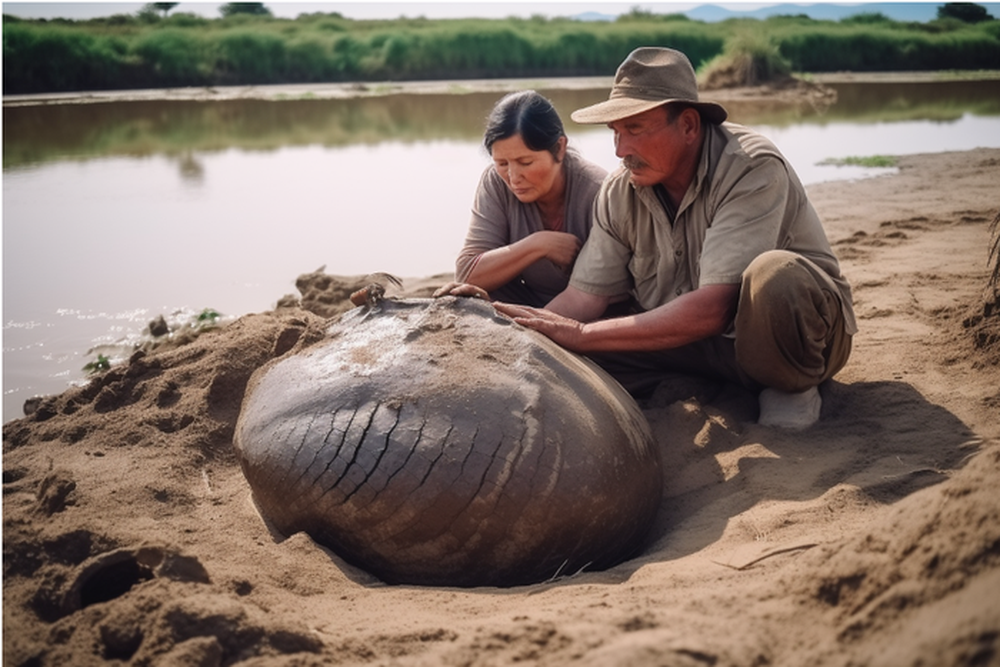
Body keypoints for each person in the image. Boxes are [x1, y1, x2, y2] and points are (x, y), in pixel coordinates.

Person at [491, 47, 858, 429]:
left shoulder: (751, 167)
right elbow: (585, 297)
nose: (621, 151)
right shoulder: (621, 190)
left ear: (688, 125)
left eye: (635, 129)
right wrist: (526, 338)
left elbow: (715, 307)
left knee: (775, 274)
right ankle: (709, 380)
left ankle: (791, 386)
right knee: (576, 346)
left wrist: (582, 334)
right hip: (690, 346)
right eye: (615, 132)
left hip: (784, 341)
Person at [450, 90, 608, 307]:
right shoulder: (496, 181)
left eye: (525, 162)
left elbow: (597, 293)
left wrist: (537, 324)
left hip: (591, 311)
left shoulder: (599, 192)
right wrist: (538, 244)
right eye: (502, 164)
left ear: (560, 148)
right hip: (529, 303)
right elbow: (467, 273)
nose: (514, 178)